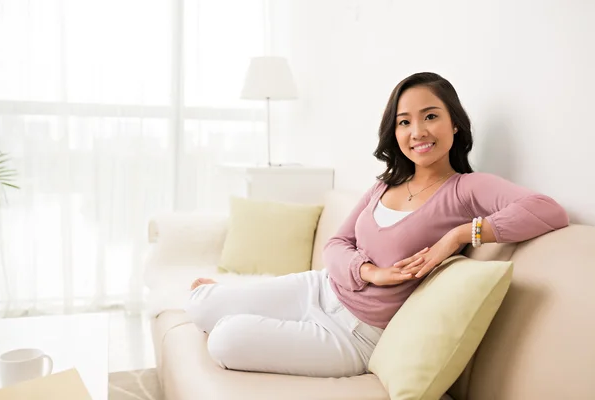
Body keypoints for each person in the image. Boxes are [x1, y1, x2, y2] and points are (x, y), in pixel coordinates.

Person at [184, 72, 569, 379]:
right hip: (320, 288)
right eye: (405, 122)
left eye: (430, 116)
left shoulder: (468, 188)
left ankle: (246, 312)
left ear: (455, 125)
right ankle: (237, 303)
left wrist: (458, 235)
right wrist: (371, 271)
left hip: (355, 335)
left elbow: (548, 210)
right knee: (202, 304)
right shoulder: (385, 184)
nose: (417, 131)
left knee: (225, 339)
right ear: (395, 132)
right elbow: (335, 244)